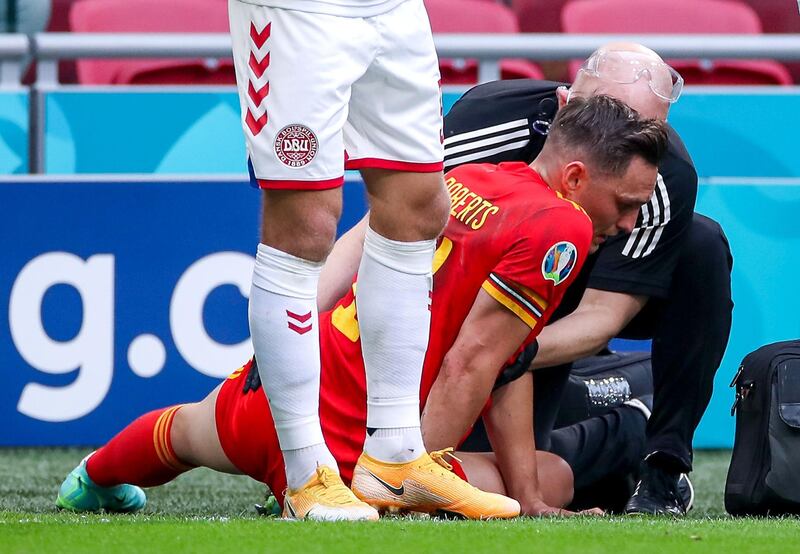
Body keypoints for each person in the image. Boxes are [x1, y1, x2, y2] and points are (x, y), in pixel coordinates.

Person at [55, 96, 669, 518]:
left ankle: (92, 480)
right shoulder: (562, 228)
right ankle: (348, 491)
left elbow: (498, 363)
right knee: (556, 475)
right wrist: (408, 478)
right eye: (626, 202)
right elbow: (472, 366)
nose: (630, 221)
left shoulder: (473, 176)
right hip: (356, 443)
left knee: (185, 428)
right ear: (575, 177)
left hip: (278, 397)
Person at [441, 43, 734, 516]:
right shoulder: (484, 128)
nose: (630, 149)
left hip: (546, 321)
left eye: (646, 135)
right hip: (468, 319)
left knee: (702, 245)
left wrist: (508, 349)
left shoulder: (661, 173)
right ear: (565, 107)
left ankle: (658, 459)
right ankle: (627, 425)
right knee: (475, 477)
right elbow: (385, 235)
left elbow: (602, 314)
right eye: (613, 126)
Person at [227, 0, 450, 520]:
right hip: (300, 12)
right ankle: (306, 475)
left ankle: (395, 454)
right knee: (305, 222)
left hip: (395, 10)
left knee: (418, 206)